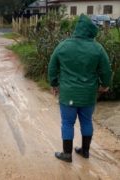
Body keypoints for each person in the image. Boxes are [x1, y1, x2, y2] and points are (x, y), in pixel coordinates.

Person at [48, 14, 112, 163]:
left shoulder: (63, 45)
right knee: (87, 122)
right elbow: (106, 70)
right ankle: (85, 151)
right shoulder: (98, 48)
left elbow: (52, 66)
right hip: (88, 95)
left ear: (77, 29)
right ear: (91, 31)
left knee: (67, 123)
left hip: (68, 94)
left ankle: (67, 154)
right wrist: (104, 85)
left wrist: (54, 84)